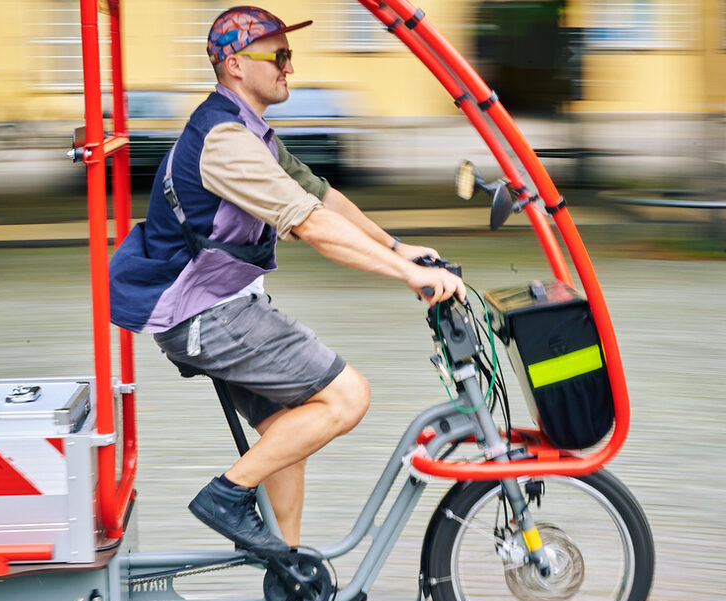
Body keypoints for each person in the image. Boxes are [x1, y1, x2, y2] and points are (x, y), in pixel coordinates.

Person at [108, 6, 465, 556]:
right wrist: (406, 275)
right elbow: (313, 225)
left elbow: (323, 196)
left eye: (288, 54)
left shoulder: (253, 135)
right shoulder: (224, 141)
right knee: (348, 397)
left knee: (290, 429)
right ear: (233, 65)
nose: (288, 67)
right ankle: (226, 495)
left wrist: (397, 247)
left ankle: (286, 563)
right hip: (205, 313)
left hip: (218, 306)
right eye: (277, 55)